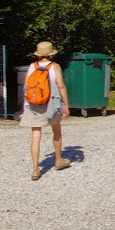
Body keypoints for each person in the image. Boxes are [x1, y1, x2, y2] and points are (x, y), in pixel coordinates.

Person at [20, 41, 71, 181]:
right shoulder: (55, 67)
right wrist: (66, 105)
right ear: (50, 54)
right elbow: (61, 86)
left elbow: (26, 87)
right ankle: (58, 160)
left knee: (35, 135)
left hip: (35, 104)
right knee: (57, 130)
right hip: (52, 103)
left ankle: (36, 169)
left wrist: (26, 105)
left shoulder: (32, 66)